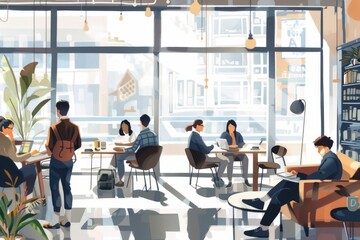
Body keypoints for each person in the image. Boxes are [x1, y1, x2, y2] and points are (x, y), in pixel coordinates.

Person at [242, 135, 342, 238]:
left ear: (325, 147)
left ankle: (263, 220)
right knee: (284, 188)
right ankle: (262, 213)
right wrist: (298, 175)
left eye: (318, 147)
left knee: (280, 195)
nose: (317, 150)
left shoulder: (331, 160)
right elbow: (319, 176)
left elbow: (319, 176)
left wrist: (299, 175)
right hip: (314, 188)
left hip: (316, 193)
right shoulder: (329, 158)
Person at [43, 100, 82, 229]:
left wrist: (55, 151)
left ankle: (55, 220)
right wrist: (67, 152)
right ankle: (67, 219)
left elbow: (49, 148)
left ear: (58, 111)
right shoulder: (75, 127)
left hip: (56, 162)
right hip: (68, 162)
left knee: (54, 188)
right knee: (67, 187)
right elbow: (78, 144)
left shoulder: (53, 127)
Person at [115, 114, 158, 187]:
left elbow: (133, 149)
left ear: (141, 122)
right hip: (152, 161)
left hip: (142, 160)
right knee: (120, 156)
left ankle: (120, 180)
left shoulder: (141, 135)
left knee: (119, 157)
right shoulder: (154, 134)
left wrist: (122, 149)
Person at [186, 119, 230, 187]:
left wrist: (209, 146)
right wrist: (213, 146)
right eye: (202, 125)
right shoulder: (196, 136)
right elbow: (206, 150)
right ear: (197, 126)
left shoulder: (193, 135)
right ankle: (218, 179)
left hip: (196, 160)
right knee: (224, 160)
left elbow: (203, 148)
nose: (203, 127)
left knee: (220, 158)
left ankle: (216, 177)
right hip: (202, 160)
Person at [0, 116, 38, 194]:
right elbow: (16, 158)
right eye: (10, 128)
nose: (11, 130)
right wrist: (31, 153)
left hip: (1, 179)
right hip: (12, 179)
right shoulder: (5, 140)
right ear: (3, 127)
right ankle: (26, 197)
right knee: (32, 168)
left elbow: (13, 152)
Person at [220, 119, 251, 188]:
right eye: (229, 127)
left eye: (232, 127)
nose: (231, 128)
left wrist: (237, 145)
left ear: (235, 127)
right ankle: (230, 181)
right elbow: (220, 143)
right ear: (227, 127)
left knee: (246, 159)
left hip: (238, 153)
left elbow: (242, 143)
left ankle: (245, 179)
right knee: (230, 161)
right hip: (229, 153)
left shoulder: (238, 134)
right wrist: (229, 146)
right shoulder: (224, 134)